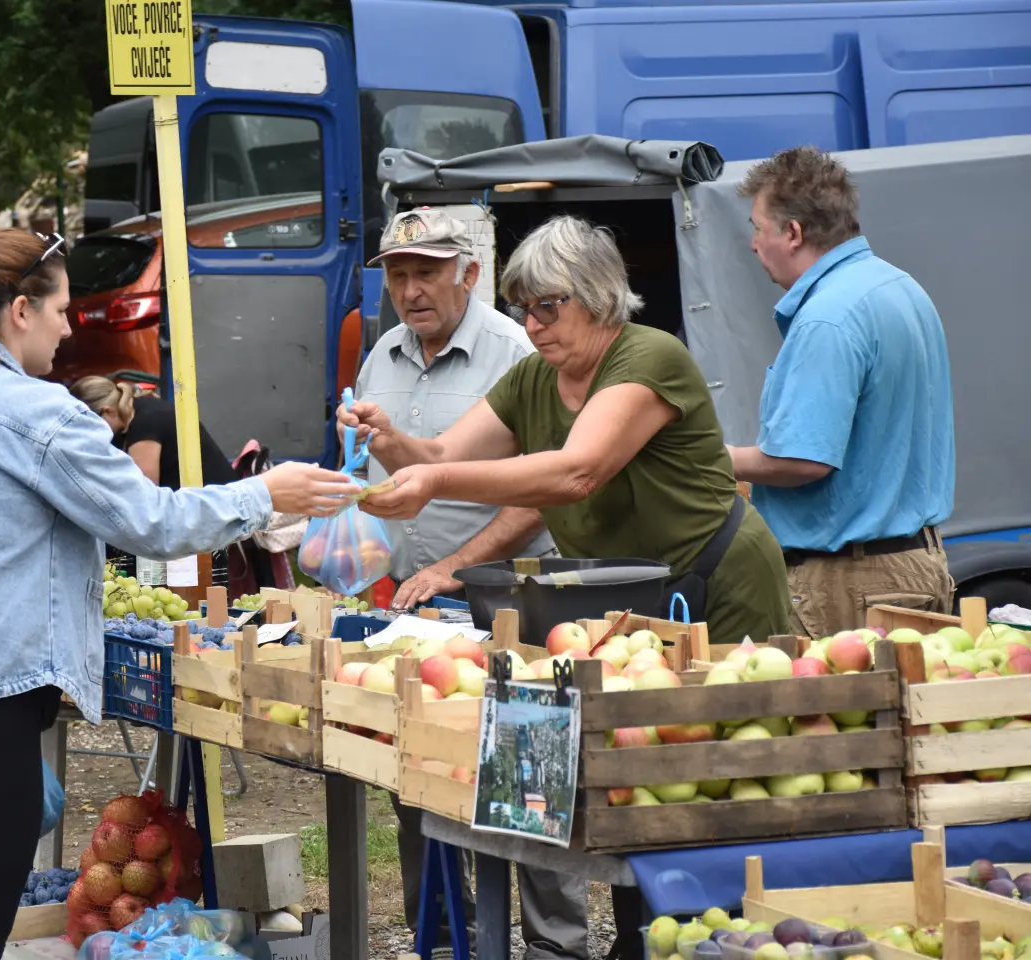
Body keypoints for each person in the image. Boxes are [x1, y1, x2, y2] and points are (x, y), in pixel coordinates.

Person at [0, 227, 358, 960]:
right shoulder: (41, 415)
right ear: (20, 311)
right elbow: (152, 522)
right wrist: (261, 493)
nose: (69, 325)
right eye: (61, 308)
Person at [349, 214, 793, 646]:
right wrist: (388, 440)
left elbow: (576, 473)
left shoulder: (650, 357)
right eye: (523, 309)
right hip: (629, 593)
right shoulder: (533, 376)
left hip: (716, 582)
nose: (532, 325)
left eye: (548, 306)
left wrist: (436, 480)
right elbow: (443, 457)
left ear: (597, 296)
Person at [354, 207, 573, 960]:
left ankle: (554, 945)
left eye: (426, 272)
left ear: (468, 274)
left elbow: (543, 491)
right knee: (416, 766)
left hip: (507, 595)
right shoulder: (380, 355)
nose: (410, 290)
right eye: (397, 274)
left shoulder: (519, 352)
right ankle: (441, 937)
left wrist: (454, 563)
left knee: (531, 770)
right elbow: (401, 466)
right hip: (414, 602)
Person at [727, 146, 955, 637]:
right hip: (912, 561)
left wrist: (708, 457)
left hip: (848, 583)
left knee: (835, 715)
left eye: (758, 227)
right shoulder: (900, 287)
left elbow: (803, 462)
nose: (752, 243)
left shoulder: (828, 317)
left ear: (793, 233)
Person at [69, 375, 239, 489]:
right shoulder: (135, 410)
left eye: (88, 425)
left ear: (108, 412)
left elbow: (143, 494)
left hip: (212, 514)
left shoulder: (146, 424)